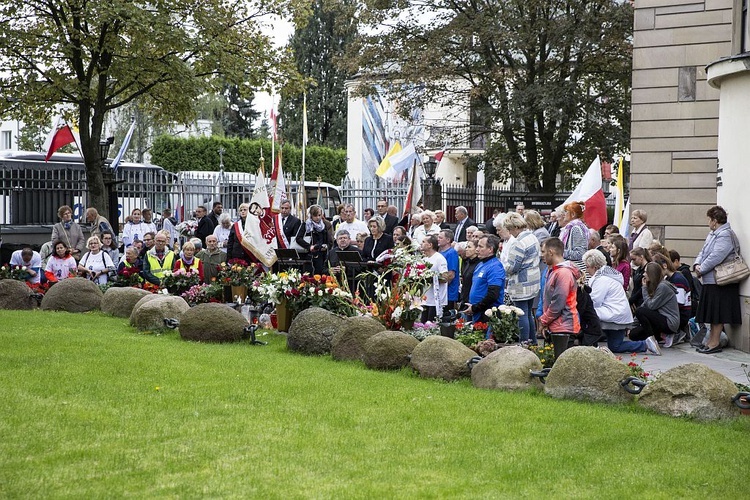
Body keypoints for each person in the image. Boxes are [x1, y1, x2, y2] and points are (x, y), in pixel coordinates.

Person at [584, 249, 656, 354]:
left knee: (588, 316)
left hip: (613, 315)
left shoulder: (601, 280)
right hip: (618, 314)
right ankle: (646, 344)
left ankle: (590, 346)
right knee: (615, 346)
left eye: (587, 267)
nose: (586, 270)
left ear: (594, 267)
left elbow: (595, 301)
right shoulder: (606, 277)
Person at [693, 205, 743, 354]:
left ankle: (714, 343)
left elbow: (717, 256)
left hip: (721, 281)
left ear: (715, 221)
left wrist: (701, 269)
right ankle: (710, 341)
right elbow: (703, 251)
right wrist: (697, 263)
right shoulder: (713, 234)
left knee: (717, 314)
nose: (708, 222)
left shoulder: (725, 235)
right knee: (712, 314)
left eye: (709, 219)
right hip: (711, 280)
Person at [502, 213, 541, 344]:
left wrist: (503, 265)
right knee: (529, 312)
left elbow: (513, 267)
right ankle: (533, 342)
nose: (510, 232)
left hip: (521, 283)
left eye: (510, 229)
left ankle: (524, 342)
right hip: (533, 279)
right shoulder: (532, 237)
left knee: (521, 313)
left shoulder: (518, 243)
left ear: (516, 227)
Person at [629, 262, 679, 350]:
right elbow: (645, 305)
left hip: (669, 322)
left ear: (652, 274)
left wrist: (644, 289)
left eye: (646, 272)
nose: (644, 275)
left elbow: (651, 306)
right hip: (658, 319)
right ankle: (658, 336)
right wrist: (633, 326)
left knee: (639, 311)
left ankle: (653, 341)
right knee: (633, 335)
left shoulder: (663, 287)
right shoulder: (654, 286)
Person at [538, 237, 580, 340]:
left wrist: (544, 320)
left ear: (551, 252)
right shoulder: (553, 271)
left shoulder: (563, 273)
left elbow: (558, 303)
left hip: (564, 327)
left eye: (543, 252)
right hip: (556, 325)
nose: (541, 255)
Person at [463, 234, 505, 323]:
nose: (477, 249)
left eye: (480, 246)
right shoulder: (480, 264)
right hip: (477, 311)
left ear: (490, 249)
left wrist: (475, 307)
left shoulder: (495, 267)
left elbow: (493, 294)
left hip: (488, 313)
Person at [652, 253, 691, 346]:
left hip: (680, 315)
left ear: (664, 266)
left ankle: (677, 332)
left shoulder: (678, 279)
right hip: (675, 313)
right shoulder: (669, 279)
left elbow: (679, 302)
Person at [419, 235, 449, 323]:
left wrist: (431, 278)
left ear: (430, 245)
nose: (421, 244)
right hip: (425, 299)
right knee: (423, 323)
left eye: (424, 242)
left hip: (436, 300)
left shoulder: (439, 258)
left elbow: (445, 277)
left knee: (431, 325)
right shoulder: (424, 259)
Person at [297, 204, 333, 275]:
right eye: (315, 216)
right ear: (311, 216)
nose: (318, 218)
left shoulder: (324, 225)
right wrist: (309, 246)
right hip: (309, 255)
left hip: (322, 254)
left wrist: (326, 246)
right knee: (309, 275)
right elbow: (298, 238)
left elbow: (328, 240)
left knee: (321, 274)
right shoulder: (306, 225)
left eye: (319, 215)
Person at [559, 201, 588, 276]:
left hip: (576, 271)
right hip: (573, 269)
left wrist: (559, 252)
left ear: (573, 214)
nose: (564, 214)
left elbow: (580, 253)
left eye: (566, 211)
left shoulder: (576, 228)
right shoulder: (570, 227)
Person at [437, 229, 460, 311]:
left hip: (448, 294)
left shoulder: (451, 253)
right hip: (439, 293)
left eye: (440, 237)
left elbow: (451, 275)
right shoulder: (440, 252)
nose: (438, 239)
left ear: (448, 240)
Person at [458, 240, 479, 311]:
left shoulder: (479, 265)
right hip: (465, 298)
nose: (466, 249)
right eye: (466, 247)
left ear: (477, 250)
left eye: (469, 247)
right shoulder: (467, 262)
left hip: (473, 301)